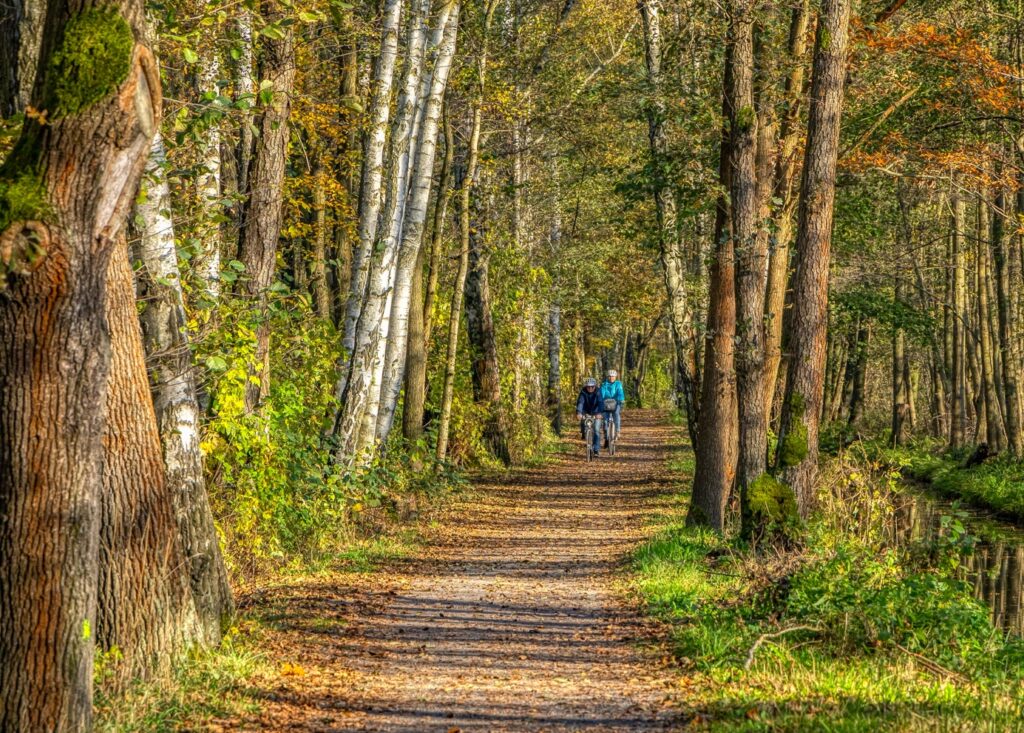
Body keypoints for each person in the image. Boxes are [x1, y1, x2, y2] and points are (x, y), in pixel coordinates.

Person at [575, 377, 603, 456]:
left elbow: (601, 402)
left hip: (596, 412)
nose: (590, 388)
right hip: (586, 412)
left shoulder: (598, 392)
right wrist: (579, 413)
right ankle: (585, 436)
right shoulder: (583, 392)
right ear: (586, 387)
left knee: (596, 430)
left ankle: (596, 449)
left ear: (595, 386)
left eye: (592, 387)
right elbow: (580, 403)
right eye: (588, 387)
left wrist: (600, 413)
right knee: (585, 426)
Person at [600, 369, 625, 438]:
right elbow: (601, 394)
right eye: (610, 376)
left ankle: (617, 431)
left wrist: (621, 399)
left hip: (616, 403)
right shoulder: (604, 385)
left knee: (616, 414)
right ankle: (606, 434)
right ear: (607, 377)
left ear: (615, 377)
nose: (611, 378)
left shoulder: (618, 384)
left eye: (613, 376)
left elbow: (620, 392)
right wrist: (600, 400)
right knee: (605, 419)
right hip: (606, 403)